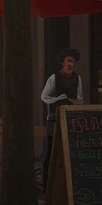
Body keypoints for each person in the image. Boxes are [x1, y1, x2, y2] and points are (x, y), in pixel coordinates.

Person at [40, 48, 84, 184]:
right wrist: (59, 98)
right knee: (52, 151)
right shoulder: (54, 78)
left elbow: (80, 97)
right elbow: (44, 97)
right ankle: (48, 183)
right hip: (55, 119)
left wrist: (76, 102)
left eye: (73, 62)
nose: (71, 64)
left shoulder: (77, 78)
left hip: (71, 119)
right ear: (63, 62)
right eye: (69, 61)